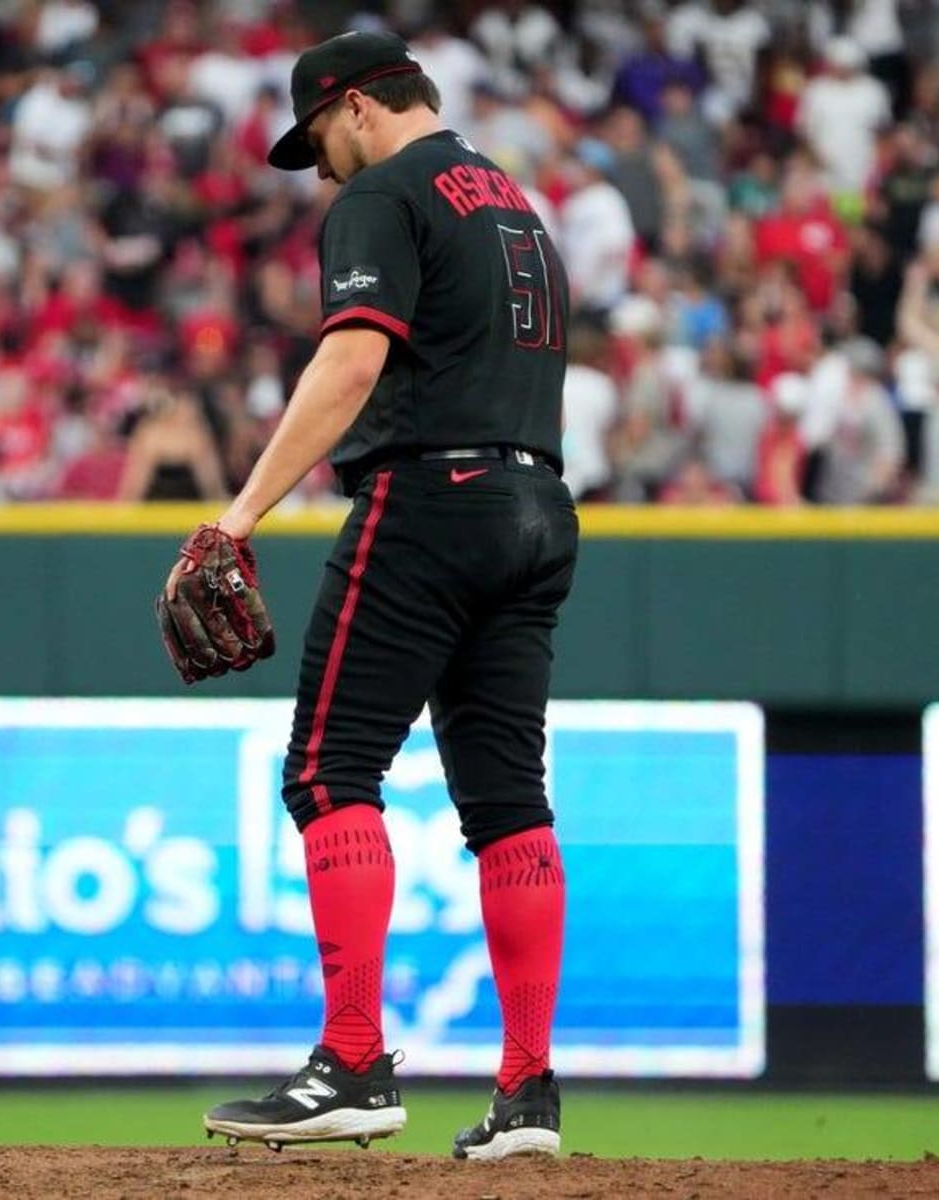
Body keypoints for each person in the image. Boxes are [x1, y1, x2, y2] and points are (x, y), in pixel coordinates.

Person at [167, 29, 575, 1160]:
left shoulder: (384, 191)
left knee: (327, 771)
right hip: (540, 504)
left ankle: (350, 1061)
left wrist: (236, 515)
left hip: (429, 501)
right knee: (506, 801)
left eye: (320, 143)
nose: (324, 170)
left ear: (353, 108)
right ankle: (526, 1092)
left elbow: (348, 361)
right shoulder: (514, 204)